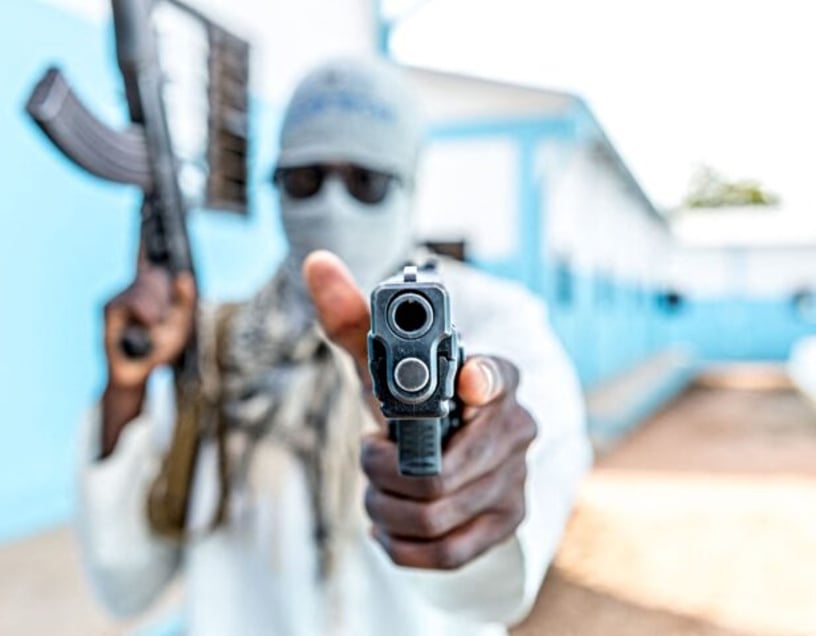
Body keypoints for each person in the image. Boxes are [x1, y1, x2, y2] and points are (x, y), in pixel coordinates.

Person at [78, 56, 592, 636]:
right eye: (304, 180)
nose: (331, 205)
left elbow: (494, 591)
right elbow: (127, 581)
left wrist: (461, 466)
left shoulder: (493, 322)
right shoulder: (216, 345)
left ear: (410, 186)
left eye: (366, 181)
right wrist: (129, 389)